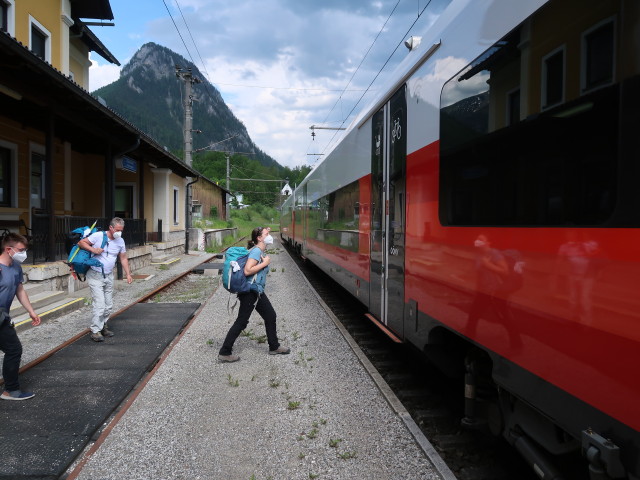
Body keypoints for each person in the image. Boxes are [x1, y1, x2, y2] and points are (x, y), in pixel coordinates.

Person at [218, 227, 289, 362]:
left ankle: (274, 346)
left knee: (270, 315)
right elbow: (247, 270)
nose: (269, 236)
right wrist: (265, 263)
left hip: (256, 291)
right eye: (266, 234)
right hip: (250, 292)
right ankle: (225, 352)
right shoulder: (256, 251)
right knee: (242, 321)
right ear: (259, 238)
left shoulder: (259, 250)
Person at [0, 233, 41, 400]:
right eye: (21, 250)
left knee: (13, 349)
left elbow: (19, 290)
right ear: (8, 249)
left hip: (3, 315)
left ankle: (10, 389)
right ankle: (11, 390)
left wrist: (31, 311)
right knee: (13, 349)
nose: (24, 253)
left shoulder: (15, 267)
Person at [78, 217, 133, 342]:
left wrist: (128, 274)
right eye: (117, 230)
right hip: (95, 274)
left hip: (109, 275)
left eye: (121, 230)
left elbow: (123, 258)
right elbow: (81, 243)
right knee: (100, 305)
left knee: (108, 305)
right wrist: (93, 249)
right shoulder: (98, 236)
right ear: (111, 228)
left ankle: (103, 326)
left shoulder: (120, 241)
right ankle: (95, 331)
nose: (119, 232)